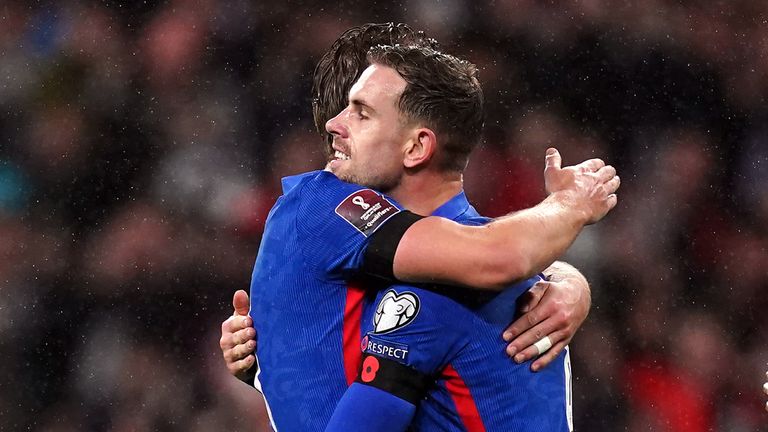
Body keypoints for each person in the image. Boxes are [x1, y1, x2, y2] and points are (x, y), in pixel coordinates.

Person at [228, 24, 617, 431]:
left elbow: (496, 257)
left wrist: (571, 224)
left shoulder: (432, 289)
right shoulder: (496, 268)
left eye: (361, 111)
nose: (334, 125)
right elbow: (497, 254)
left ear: (416, 146)